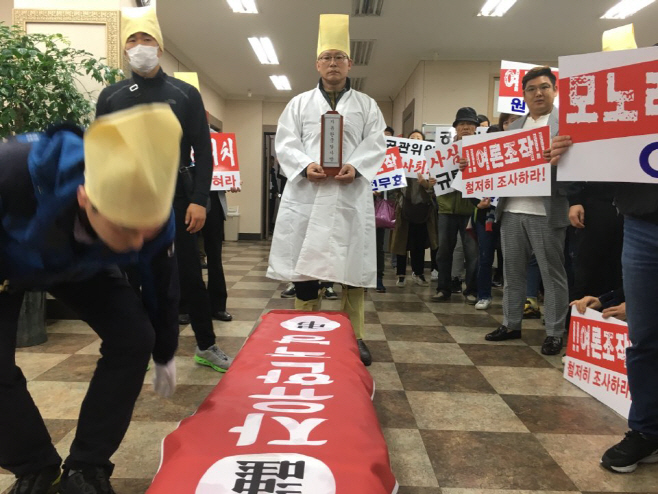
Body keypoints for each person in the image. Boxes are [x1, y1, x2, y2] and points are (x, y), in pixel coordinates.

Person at [0, 105, 181, 494]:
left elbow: (161, 284)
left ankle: (88, 466)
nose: (136, 244)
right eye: (125, 228)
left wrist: (164, 352)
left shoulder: (155, 215)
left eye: (145, 232)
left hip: (84, 262)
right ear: (86, 197)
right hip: (10, 256)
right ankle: (33, 466)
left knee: (134, 338)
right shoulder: (10, 171)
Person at [95, 6, 232, 373]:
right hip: (128, 204)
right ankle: (132, 347)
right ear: (125, 49)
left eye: (147, 39)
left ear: (160, 45)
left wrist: (200, 201)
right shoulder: (111, 97)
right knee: (131, 279)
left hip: (176, 200)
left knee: (188, 276)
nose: (140, 46)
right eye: (133, 40)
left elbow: (203, 151)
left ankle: (206, 344)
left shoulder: (184, 94)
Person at [267, 14, 386, 366]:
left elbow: (376, 143)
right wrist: (304, 165)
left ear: (350, 63)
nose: (333, 63)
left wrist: (359, 165)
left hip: (349, 195)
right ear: (317, 64)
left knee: (352, 267)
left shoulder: (367, 105)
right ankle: (306, 330)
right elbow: (286, 143)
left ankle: (355, 336)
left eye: (339, 57)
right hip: (308, 194)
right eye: (326, 57)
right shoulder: (299, 104)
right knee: (305, 267)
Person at [551, 132, 658, 474]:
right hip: (641, 214)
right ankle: (646, 431)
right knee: (643, 336)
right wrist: (573, 156)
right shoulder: (632, 81)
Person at [484, 67, 570, 356]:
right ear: (523, 95)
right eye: (532, 88)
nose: (538, 93)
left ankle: (555, 332)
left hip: (547, 210)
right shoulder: (514, 127)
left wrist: (559, 161)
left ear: (555, 90)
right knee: (512, 271)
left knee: (551, 273)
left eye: (545, 87)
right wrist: (470, 169)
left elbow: (581, 168)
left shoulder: (567, 125)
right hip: (512, 209)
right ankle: (511, 323)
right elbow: (494, 164)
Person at [433, 107, 479, 303]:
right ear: (455, 128)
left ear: (476, 127)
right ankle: (443, 288)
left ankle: (471, 290)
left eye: (470, 124)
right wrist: (429, 183)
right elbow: (433, 179)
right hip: (446, 207)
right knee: (444, 251)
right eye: (462, 124)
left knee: (473, 252)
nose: (466, 127)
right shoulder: (442, 154)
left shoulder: (482, 150)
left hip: (472, 209)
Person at [390, 130, 437, 288]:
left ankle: (419, 273)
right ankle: (401, 275)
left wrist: (425, 184)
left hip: (423, 209)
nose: (415, 141)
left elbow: (434, 187)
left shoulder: (430, 163)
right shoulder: (400, 161)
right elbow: (393, 184)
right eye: (412, 138)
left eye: (418, 139)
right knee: (402, 242)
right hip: (404, 208)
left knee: (419, 243)